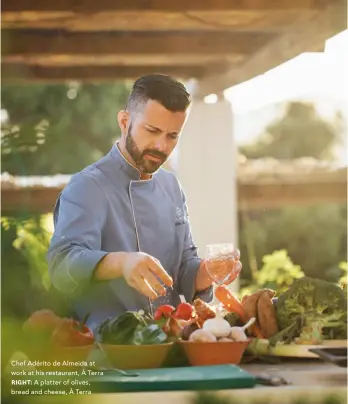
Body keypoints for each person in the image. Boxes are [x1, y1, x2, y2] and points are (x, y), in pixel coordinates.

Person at [47, 74, 241, 332]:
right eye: (152, 131)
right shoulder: (87, 186)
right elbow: (62, 266)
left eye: (173, 136)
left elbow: (183, 267)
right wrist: (121, 263)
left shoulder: (171, 186)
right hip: (107, 348)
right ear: (124, 121)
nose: (162, 145)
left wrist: (204, 273)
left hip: (169, 341)